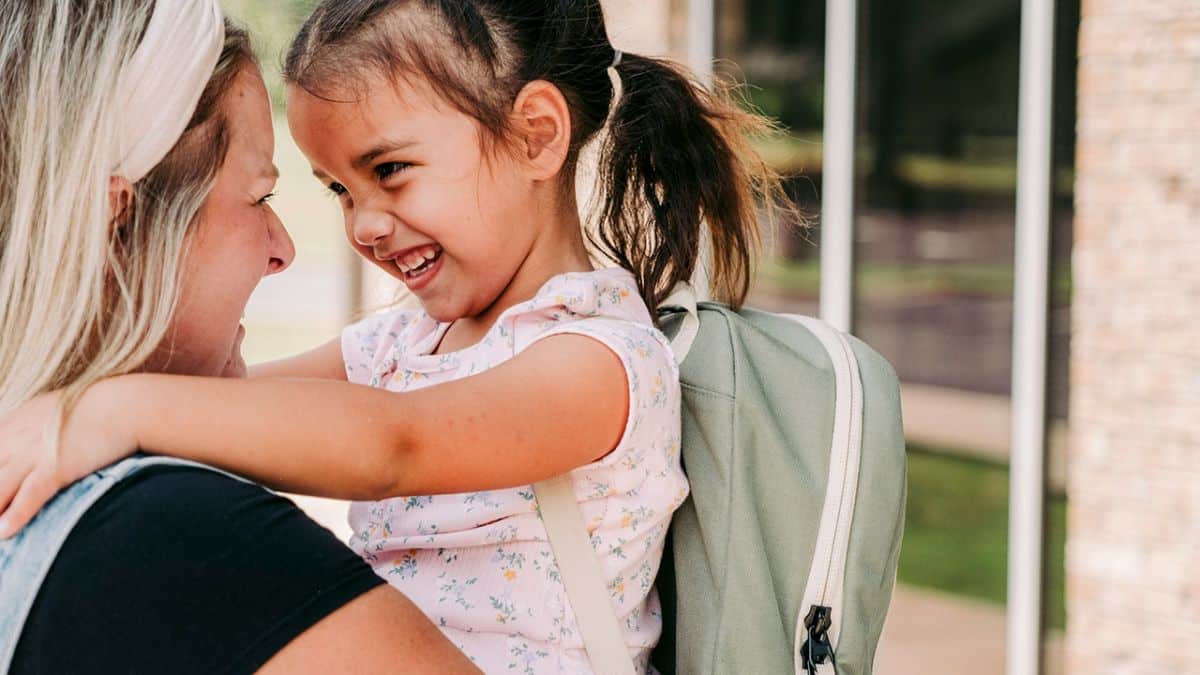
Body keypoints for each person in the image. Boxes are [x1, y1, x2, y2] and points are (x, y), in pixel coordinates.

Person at [0, 0, 791, 671]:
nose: (364, 224)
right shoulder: (402, 345)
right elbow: (226, 405)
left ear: (536, 136)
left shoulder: (601, 359)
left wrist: (110, 411)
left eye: (391, 171)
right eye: (340, 189)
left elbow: (394, 447)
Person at [0, 2, 477, 673]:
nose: (282, 249)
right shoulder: (181, 537)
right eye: (260, 199)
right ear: (117, 226)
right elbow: (395, 439)